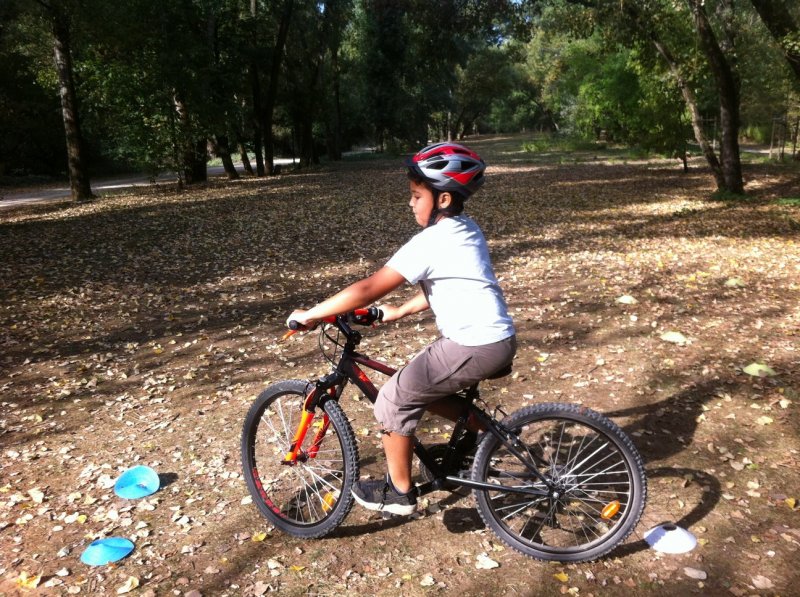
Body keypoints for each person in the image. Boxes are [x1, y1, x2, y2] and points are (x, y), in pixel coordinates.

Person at [287, 142, 516, 515]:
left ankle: (398, 492)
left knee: (393, 396)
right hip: (496, 340)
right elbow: (451, 286)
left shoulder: (432, 241)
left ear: (442, 200)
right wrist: (395, 313)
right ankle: (482, 437)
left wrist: (312, 312)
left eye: (415, 195)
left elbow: (368, 287)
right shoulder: (465, 230)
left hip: (473, 343)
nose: (410, 203)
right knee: (420, 389)